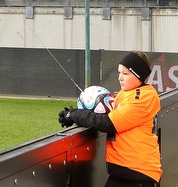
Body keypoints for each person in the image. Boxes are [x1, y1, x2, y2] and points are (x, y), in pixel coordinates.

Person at [58, 51, 162, 187]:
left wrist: (75, 115)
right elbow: (104, 116)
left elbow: (107, 123)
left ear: (139, 76)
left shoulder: (142, 98)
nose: (120, 78)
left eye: (125, 74)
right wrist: (75, 115)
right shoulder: (125, 93)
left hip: (138, 172)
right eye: (119, 73)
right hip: (125, 171)